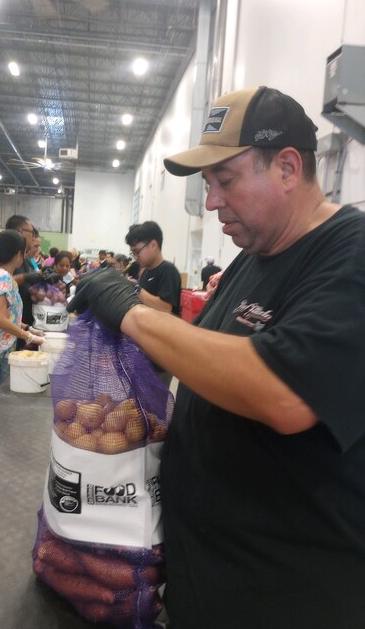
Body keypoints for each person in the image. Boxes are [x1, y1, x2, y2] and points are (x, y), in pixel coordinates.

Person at [67, 87, 365, 629]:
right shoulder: (254, 255)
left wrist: (131, 311)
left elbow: (285, 393)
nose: (211, 203)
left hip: (285, 597)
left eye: (225, 181)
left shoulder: (350, 254)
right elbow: (205, 354)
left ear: (288, 168)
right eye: (208, 185)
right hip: (204, 583)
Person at [0, 230, 45, 395]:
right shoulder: (3, 278)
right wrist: (28, 337)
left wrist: (28, 328)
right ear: (19, 254)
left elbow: (6, 314)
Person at [124, 221, 181, 317]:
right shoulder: (146, 272)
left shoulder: (168, 270)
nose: (136, 257)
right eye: (133, 253)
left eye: (137, 251)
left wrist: (136, 288)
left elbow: (165, 308)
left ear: (153, 245)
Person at [5, 215, 43, 346]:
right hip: (3, 340)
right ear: (21, 232)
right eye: (31, 233)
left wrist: (27, 328)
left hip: (18, 326)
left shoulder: (24, 261)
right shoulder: (3, 265)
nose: (33, 238)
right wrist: (26, 334)